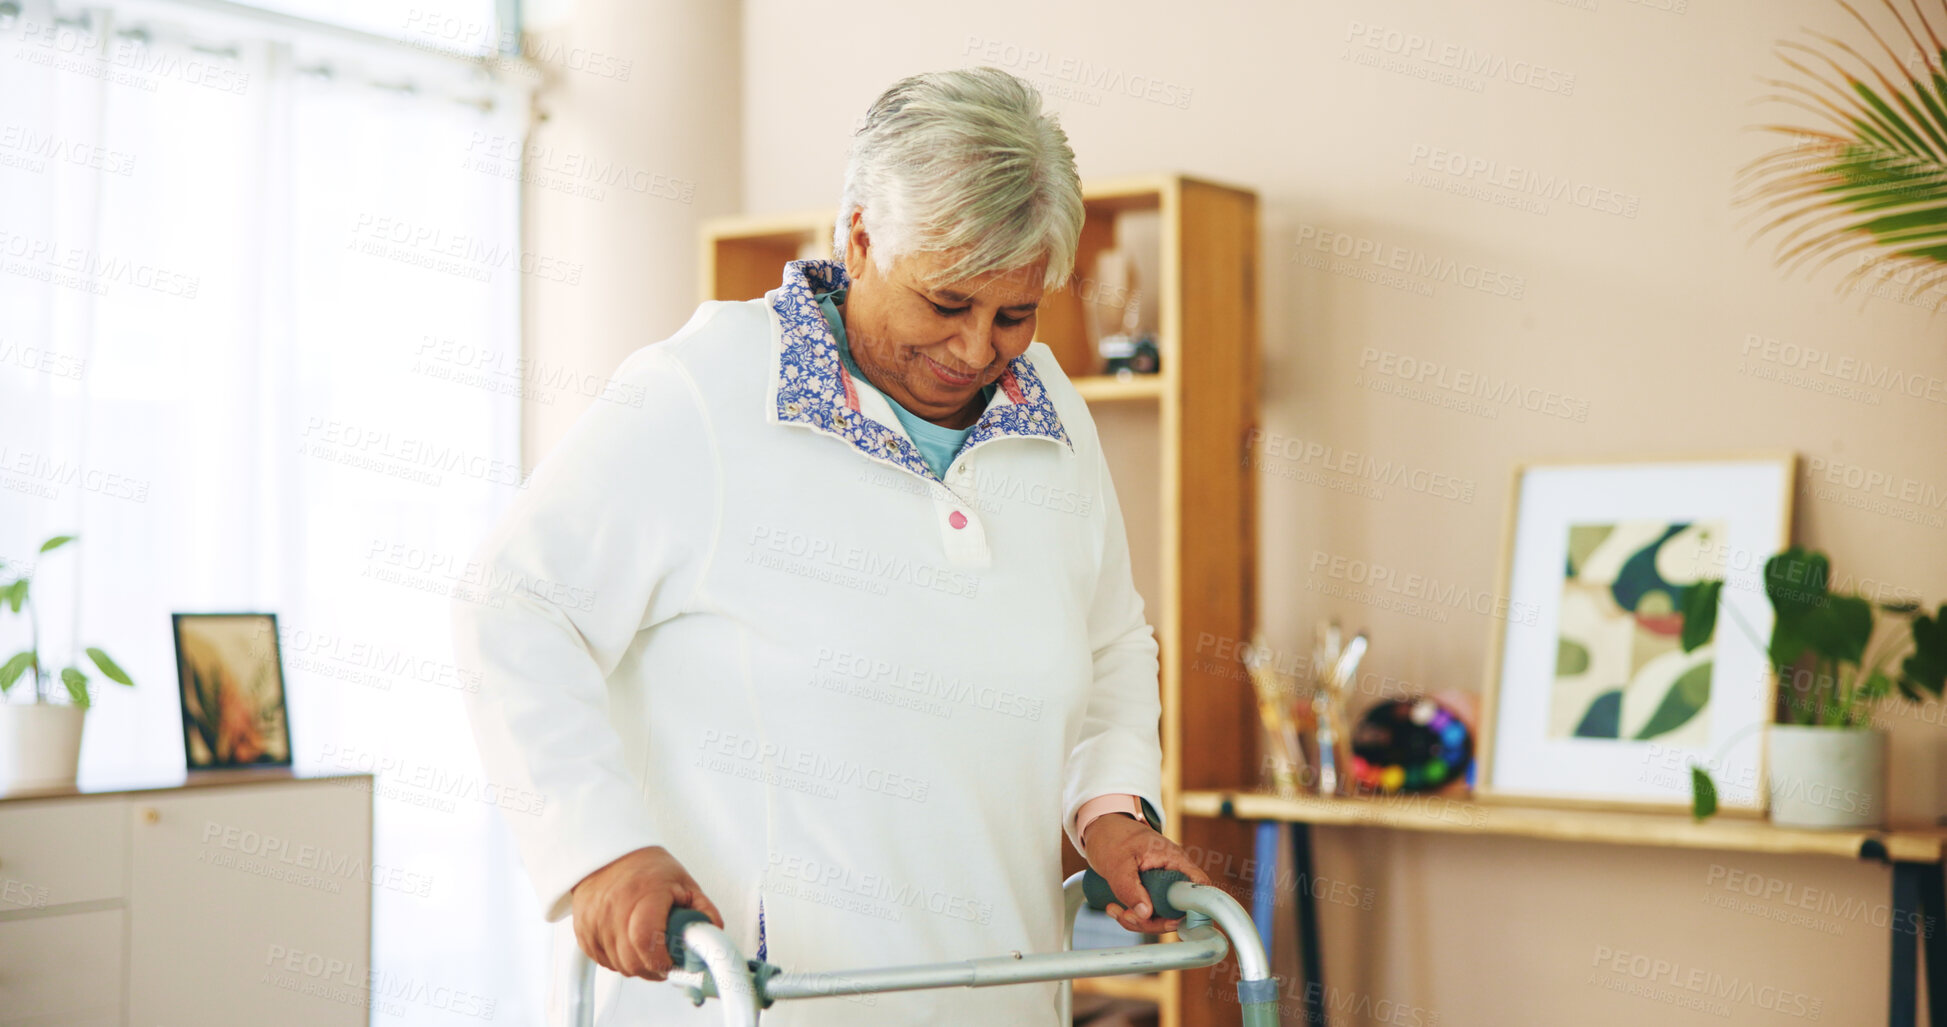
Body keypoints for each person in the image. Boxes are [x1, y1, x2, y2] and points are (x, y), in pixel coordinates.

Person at [452, 66, 1210, 1025]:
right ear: (859, 237)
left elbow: (1107, 642)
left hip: (1000, 995)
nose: (978, 349)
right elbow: (515, 602)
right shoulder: (705, 389)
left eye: (1013, 314)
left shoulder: (1051, 406)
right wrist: (601, 850)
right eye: (945, 304)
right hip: (772, 998)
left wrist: (1111, 810)